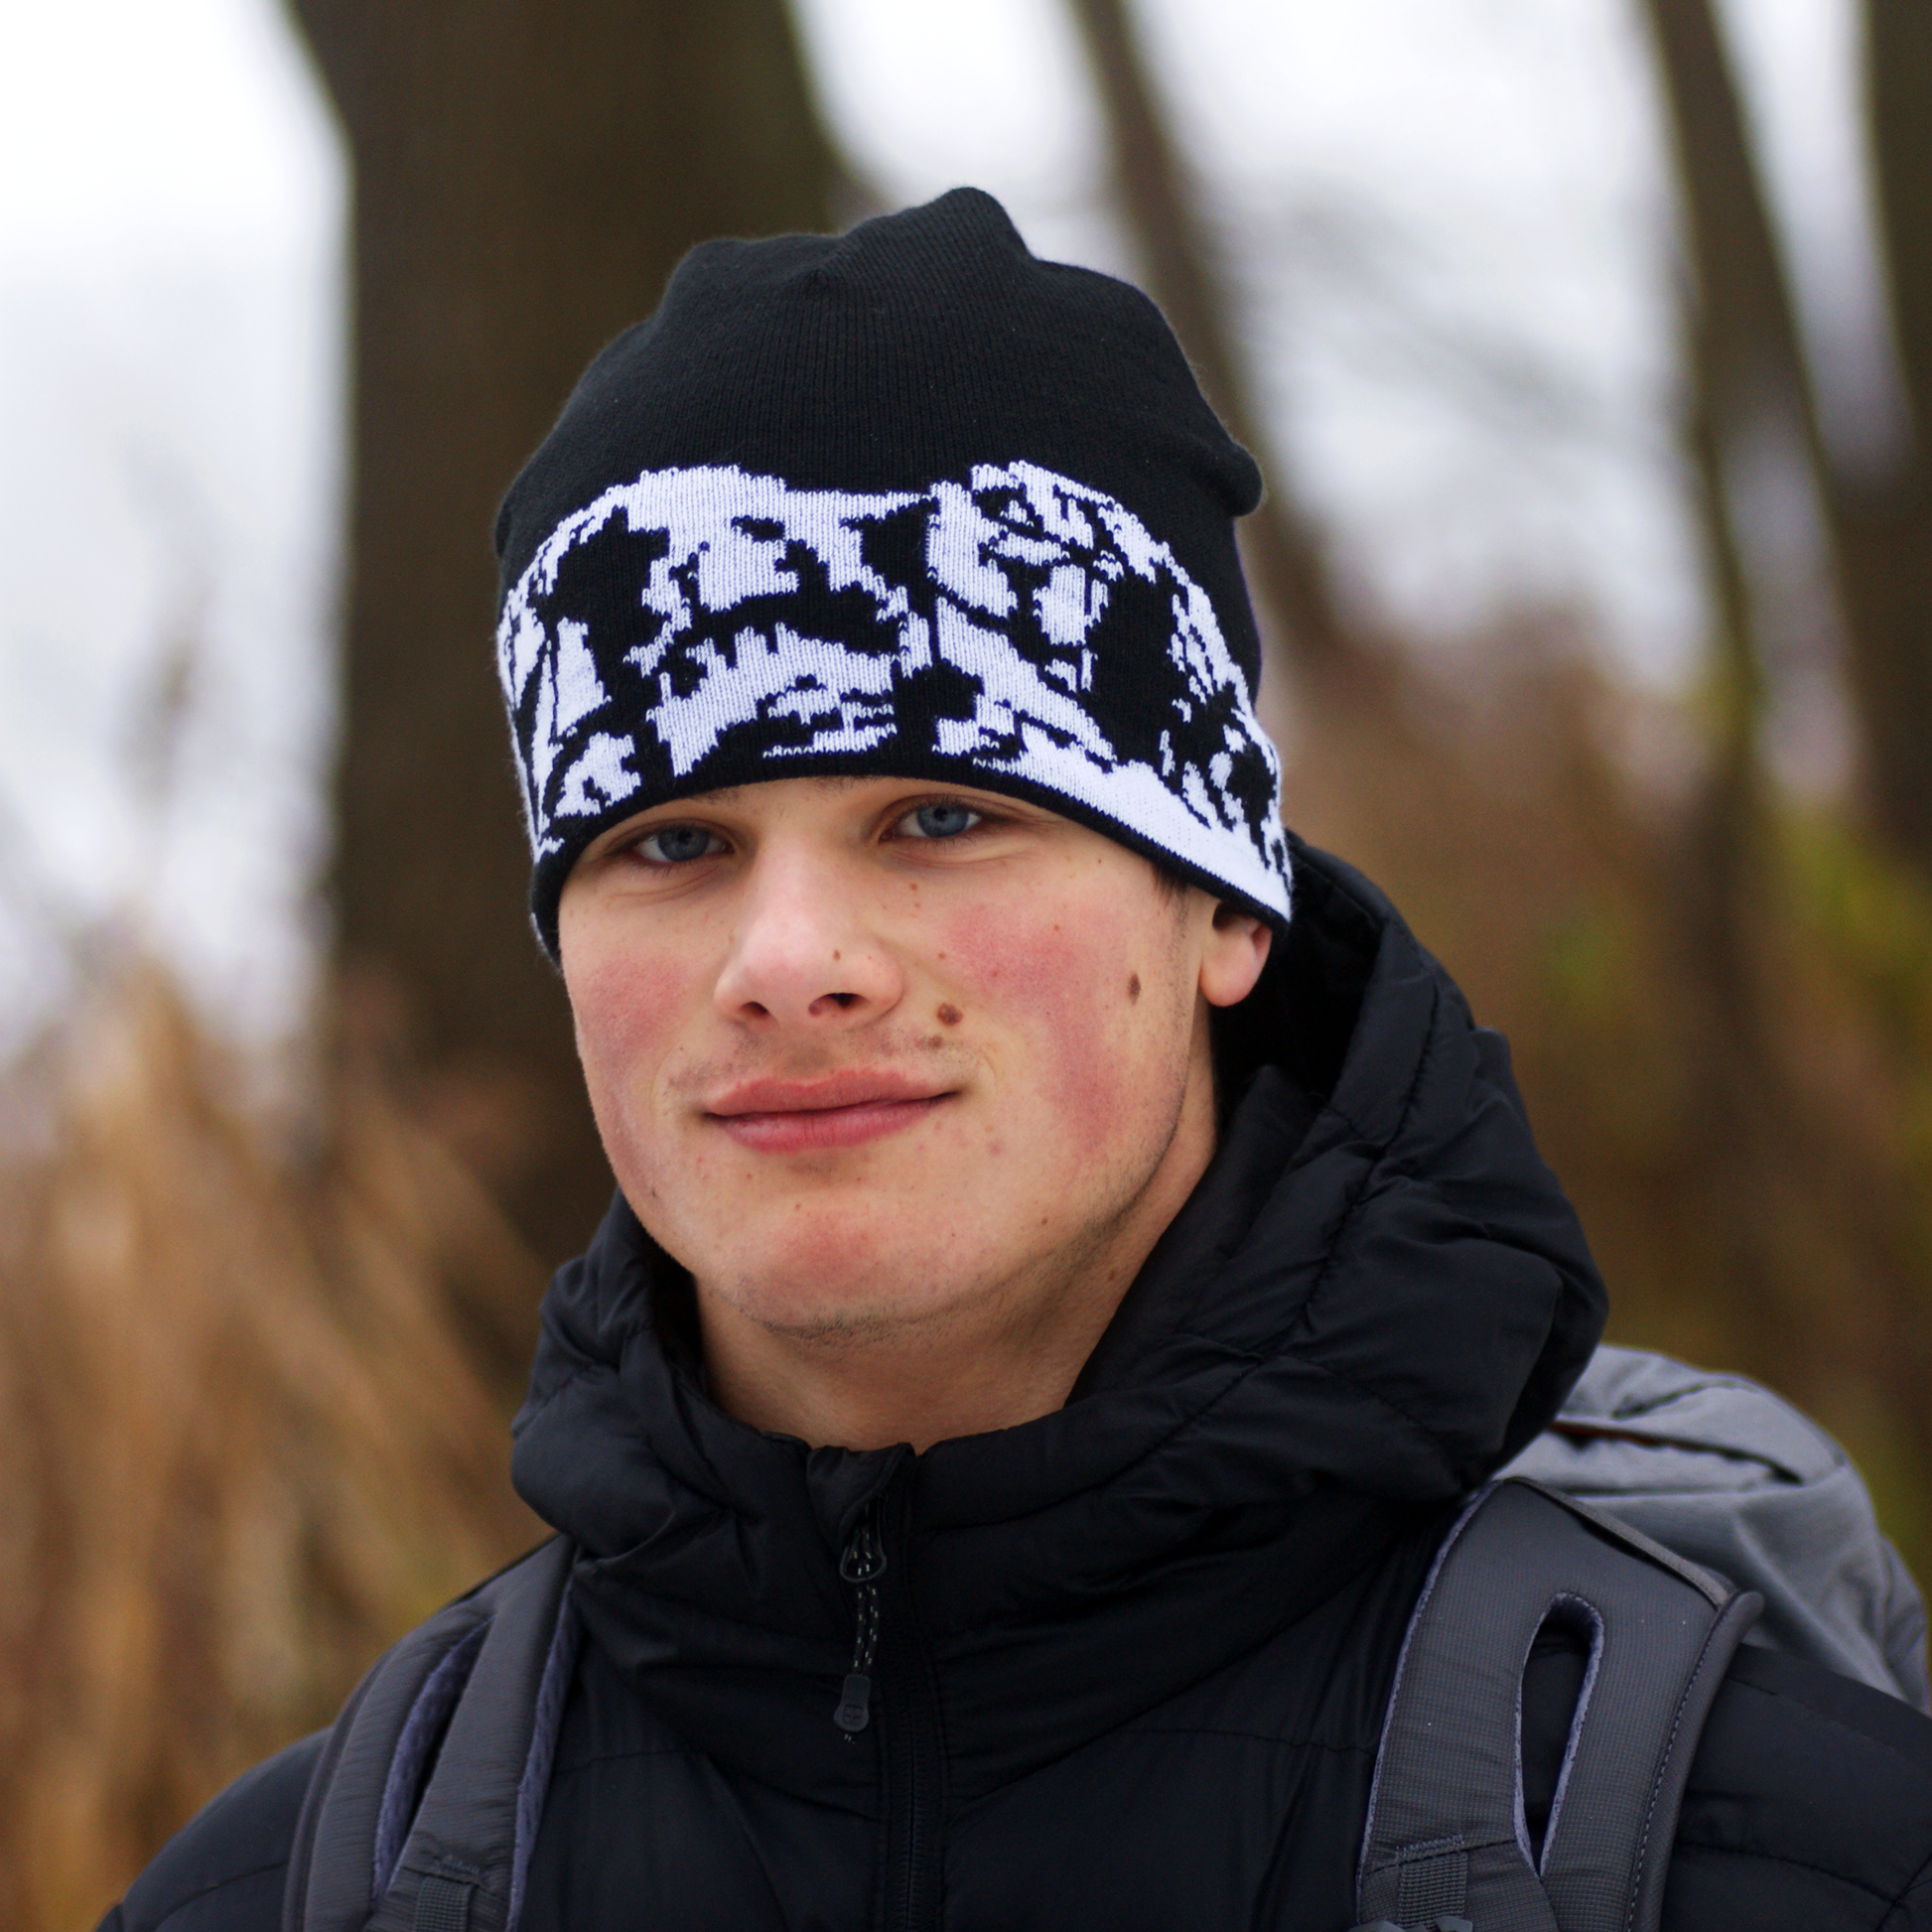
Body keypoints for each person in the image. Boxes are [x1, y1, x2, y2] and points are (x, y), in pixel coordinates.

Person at [104, 188, 1932, 1932]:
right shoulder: (301, 1889)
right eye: (672, 843)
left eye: (938, 817)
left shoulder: (1779, 1859)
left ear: (1222, 910)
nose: (788, 963)